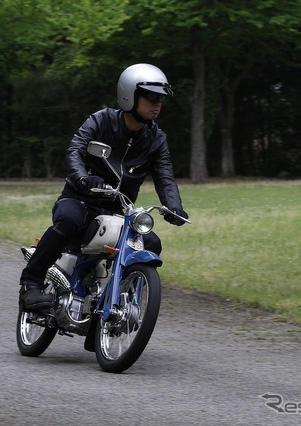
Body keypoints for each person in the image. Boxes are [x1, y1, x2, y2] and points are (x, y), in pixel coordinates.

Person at [19, 63, 188, 310]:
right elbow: (76, 149)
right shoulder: (102, 120)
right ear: (129, 95)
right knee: (69, 220)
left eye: (161, 97)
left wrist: (174, 207)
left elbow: (164, 175)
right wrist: (82, 179)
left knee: (150, 242)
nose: (157, 103)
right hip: (80, 200)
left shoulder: (156, 138)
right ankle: (31, 283)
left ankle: (117, 302)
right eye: (151, 96)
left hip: (117, 212)